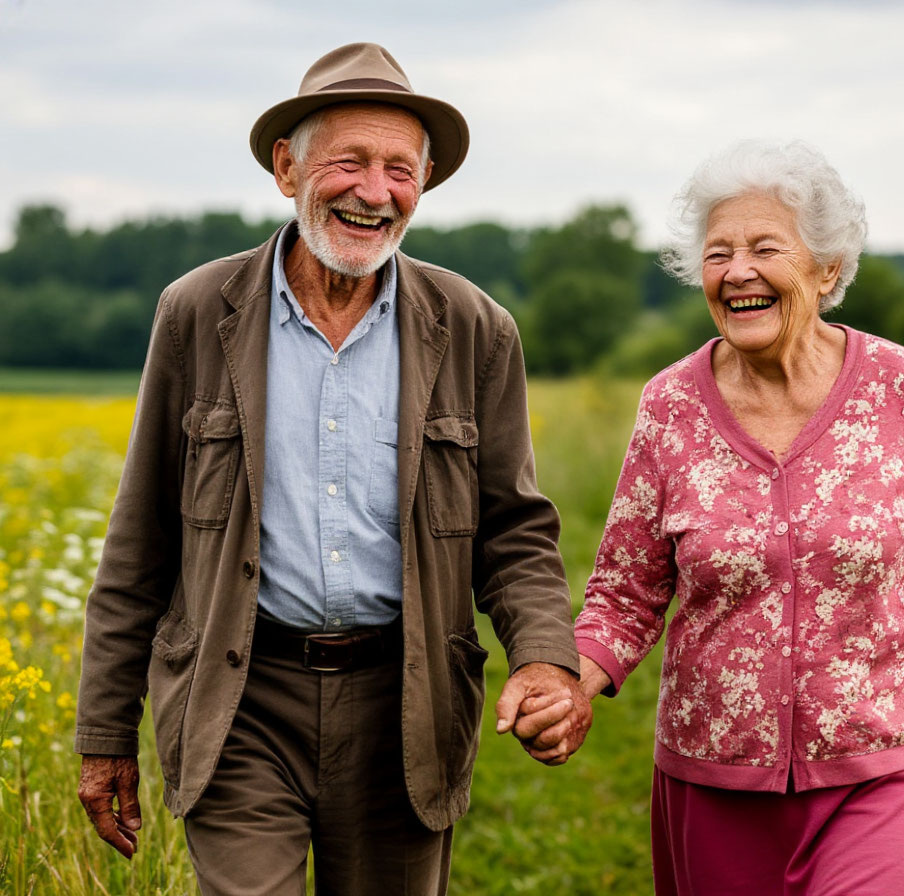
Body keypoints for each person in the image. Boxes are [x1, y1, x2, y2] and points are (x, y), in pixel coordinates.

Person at [74, 42, 590, 896]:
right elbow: (140, 537)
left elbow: (514, 529)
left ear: (421, 187)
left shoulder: (472, 325)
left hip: (406, 701)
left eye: (399, 169)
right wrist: (104, 733)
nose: (374, 191)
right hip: (239, 697)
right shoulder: (199, 311)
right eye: (349, 161)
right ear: (288, 168)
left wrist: (543, 657)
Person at [562, 141, 904, 894]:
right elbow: (625, 592)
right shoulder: (669, 405)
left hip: (884, 758)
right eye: (718, 253)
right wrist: (571, 682)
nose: (737, 272)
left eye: (765, 248)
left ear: (828, 271)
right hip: (716, 770)